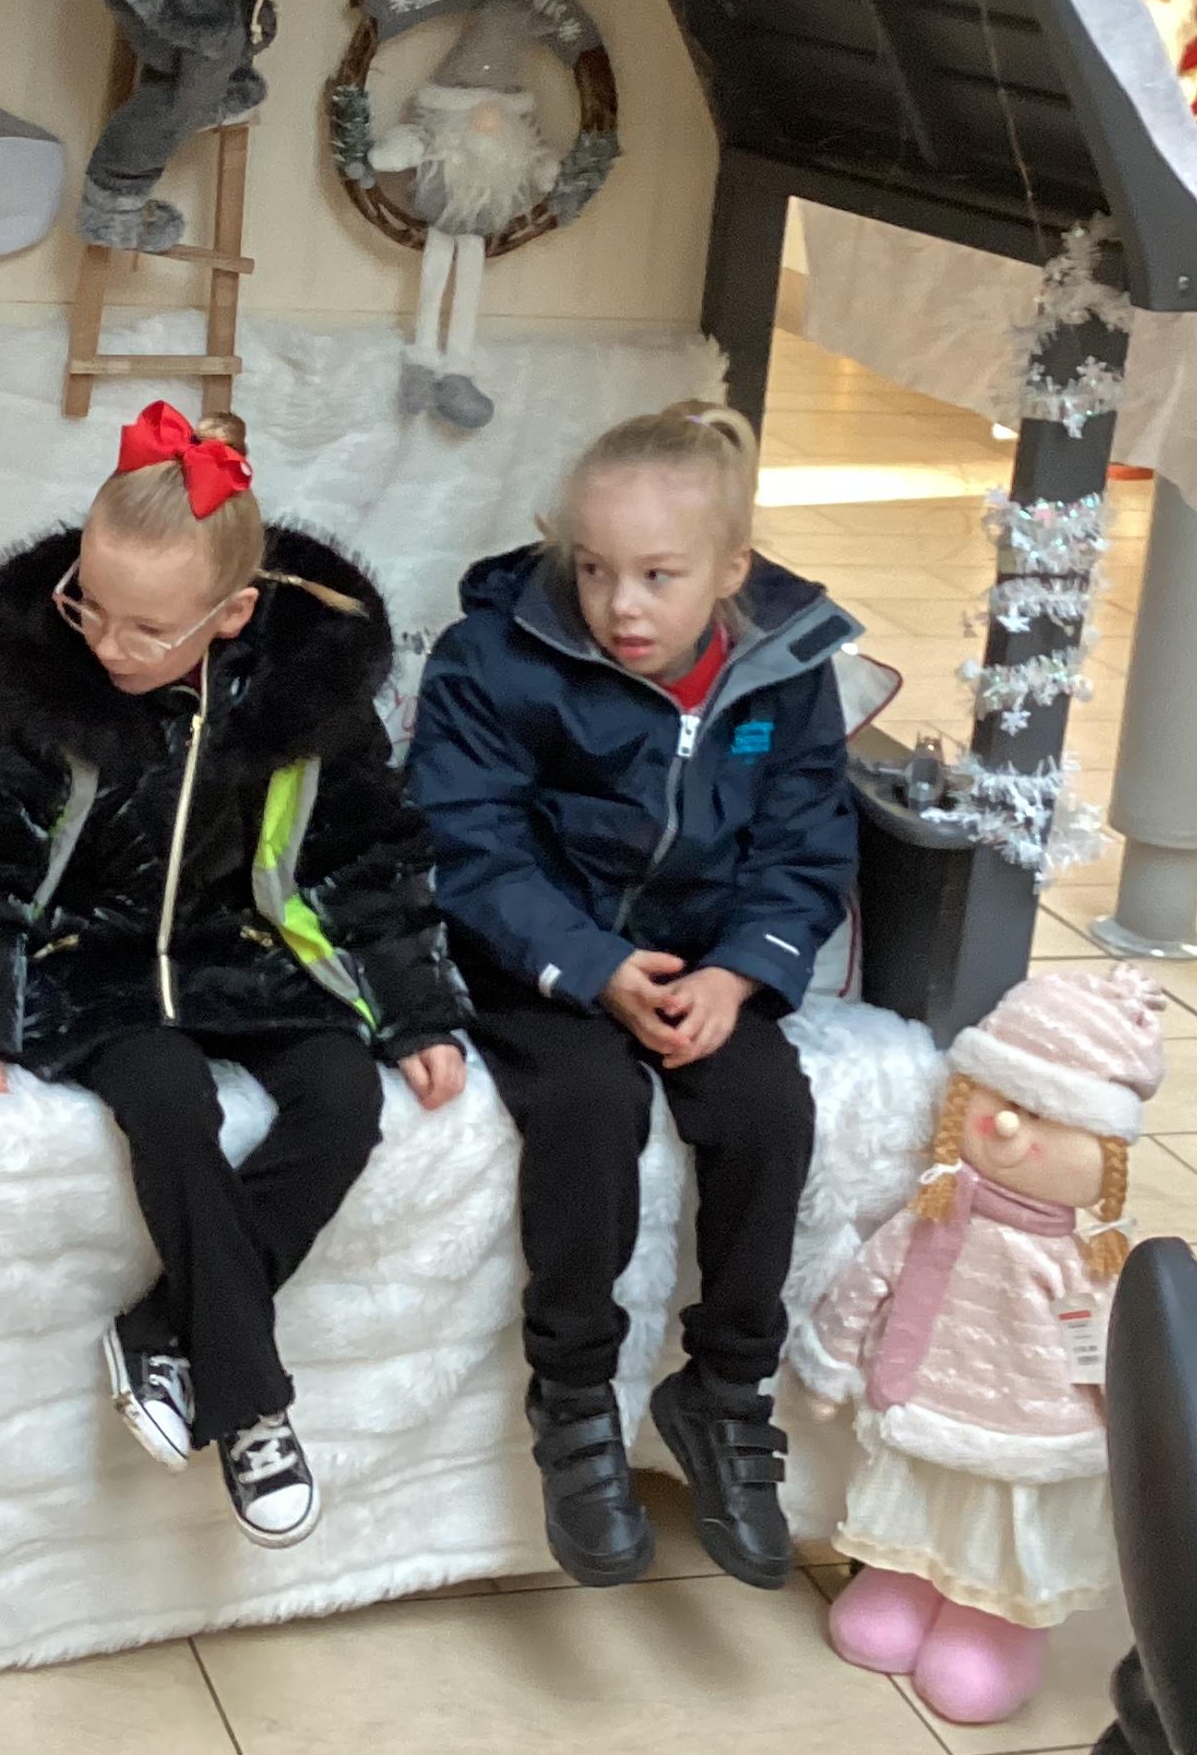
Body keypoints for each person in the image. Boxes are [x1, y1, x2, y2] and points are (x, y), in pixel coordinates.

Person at [0, 401, 467, 1549]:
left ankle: (164, 1330)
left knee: (344, 1097)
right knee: (168, 1098)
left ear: (233, 614)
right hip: (93, 963)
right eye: (90, 607)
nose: (108, 645)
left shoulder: (303, 696)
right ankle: (251, 1405)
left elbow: (366, 856)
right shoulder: (45, 694)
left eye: (148, 628)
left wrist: (414, 1009)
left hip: (246, 955)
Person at [406, 401, 855, 1593]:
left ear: (731, 570)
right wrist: (589, 965)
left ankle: (724, 1389)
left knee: (767, 1111)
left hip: (704, 962)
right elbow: (466, 842)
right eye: (594, 569)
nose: (622, 606)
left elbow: (806, 848)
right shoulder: (493, 657)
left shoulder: (788, 670)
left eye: (659, 576)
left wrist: (741, 970)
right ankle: (572, 1396)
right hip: (540, 962)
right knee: (587, 1107)